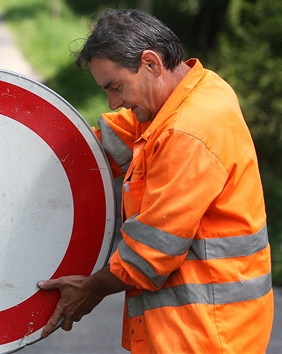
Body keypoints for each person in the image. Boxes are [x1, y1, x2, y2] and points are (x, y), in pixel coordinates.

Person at [37, 8, 274, 353]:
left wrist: (90, 289)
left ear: (151, 63)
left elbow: (150, 254)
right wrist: (27, 156)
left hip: (205, 335)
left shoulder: (188, 129)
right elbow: (107, 146)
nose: (114, 102)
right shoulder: (190, 94)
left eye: (116, 87)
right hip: (204, 329)